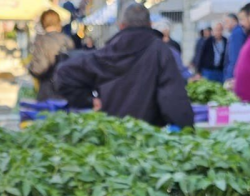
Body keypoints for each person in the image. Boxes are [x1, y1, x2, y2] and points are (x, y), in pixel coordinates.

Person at [54, 2, 194, 127]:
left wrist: (88, 101)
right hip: (149, 137)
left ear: (121, 26)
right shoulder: (161, 51)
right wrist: (187, 129)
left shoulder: (109, 51)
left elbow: (64, 73)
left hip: (113, 134)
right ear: (150, 24)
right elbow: (173, 96)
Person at [29, 9, 76, 101]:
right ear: (59, 23)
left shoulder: (41, 41)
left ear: (43, 24)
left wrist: (29, 68)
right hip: (67, 91)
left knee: (49, 115)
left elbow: (38, 68)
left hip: (48, 92)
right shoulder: (67, 40)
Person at [222, 13, 244, 82]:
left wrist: (230, 76)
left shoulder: (236, 33)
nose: (224, 25)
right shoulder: (238, 32)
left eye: (226, 22)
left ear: (234, 21)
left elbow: (235, 57)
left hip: (233, 75)